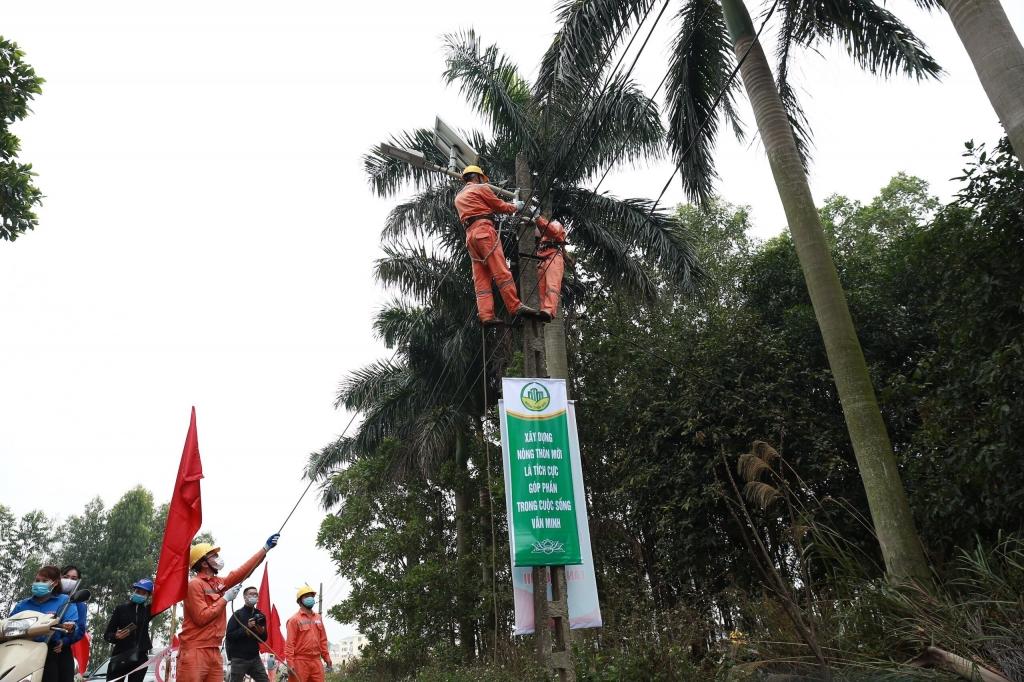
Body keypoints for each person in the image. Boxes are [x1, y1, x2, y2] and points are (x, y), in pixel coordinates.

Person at [177, 535, 280, 682]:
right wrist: (224, 599)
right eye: (214, 555)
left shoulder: (218, 583)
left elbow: (242, 572)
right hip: (195, 650)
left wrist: (265, 549)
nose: (218, 558)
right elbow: (201, 617)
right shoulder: (194, 584)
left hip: (214, 649)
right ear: (204, 563)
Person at [454, 165, 541, 325]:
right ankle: (515, 306)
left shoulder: (459, 196)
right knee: (501, 271)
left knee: (481, 278)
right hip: (484, 231)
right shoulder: (481, 188)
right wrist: (516, 207)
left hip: (471, 238)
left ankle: (486, 315)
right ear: (477, 177)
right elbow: (499, 206)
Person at [9, 565, 79, 682]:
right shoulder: (22, 605)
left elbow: (73, 627)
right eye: (37, 580)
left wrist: (69, 627)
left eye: (44, 581)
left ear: (55, 583)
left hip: (52, 650)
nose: (39, 583)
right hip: (23, 652)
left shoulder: (65, 601)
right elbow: (9, 624)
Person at [102, 578, 154, 682]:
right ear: (134, 591)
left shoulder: (148, 611)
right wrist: (115, 636)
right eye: (138, 591)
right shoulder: (120, 609)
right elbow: (107, 634)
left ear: (148, 596)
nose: (139, 594)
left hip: (140, 657)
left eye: (144, 593)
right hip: (120, 656)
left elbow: (165, 599)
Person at [284, 586, 331, 682]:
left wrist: (326, 657)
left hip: (316, 661)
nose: (310, 598)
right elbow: (289, 644)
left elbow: (323, 640)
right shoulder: (294, 620)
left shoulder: (318, 618)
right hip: (300, 661)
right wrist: (290, 663)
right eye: (306, 596)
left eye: (311, 596)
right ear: (300, 601)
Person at [225, 586, 270, 682]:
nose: (254, 596)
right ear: (245, 597)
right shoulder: (237, 615)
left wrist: (259, 630)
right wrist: (246, 628)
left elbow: (264, 638)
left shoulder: (260, 616)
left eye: (255, 594)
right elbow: (229, 636)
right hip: (238, 659)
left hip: (254, 658)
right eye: (251, 594)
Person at [532, 216, 569, 322]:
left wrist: (538, 218)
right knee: (541, 288)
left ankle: (549, 310)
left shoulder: (556, 224)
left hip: (553, 256)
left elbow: (552, 231)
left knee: (552, 285)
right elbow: (536, 232)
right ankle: (542, 312)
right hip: (542, 259)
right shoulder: (542, 238)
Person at [59, 565, 88, 682]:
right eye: (66, 577)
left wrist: (63, 641)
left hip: (62, 651)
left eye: (74, 578)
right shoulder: (47, 598)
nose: (69, 581)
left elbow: (80, 631)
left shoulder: (80, 605)